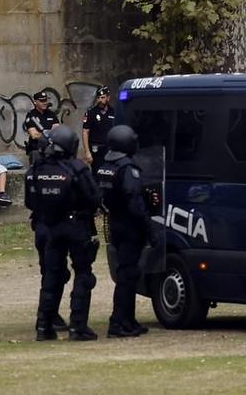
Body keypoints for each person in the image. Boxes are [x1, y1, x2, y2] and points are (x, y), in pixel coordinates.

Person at [26, 124, 101, 341]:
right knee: (83, 274)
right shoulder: (77, 168)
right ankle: (78, 327)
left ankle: (44, 326)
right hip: (76, 226)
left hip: (50, 226)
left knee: (52, 275)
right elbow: (94, 197)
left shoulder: (38, 169)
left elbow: (31, 201)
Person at [94, 124, 151, 338]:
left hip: (115, 224)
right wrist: (150, 230)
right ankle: (118, 322)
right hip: (130, 227)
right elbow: (135, 203)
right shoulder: (127, 169)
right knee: (127, 276)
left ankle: (128, 320)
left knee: (127, 274)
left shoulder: (105, 166)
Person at [81, 86, 118, 159]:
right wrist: (87, 152)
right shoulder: (91, 112)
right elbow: (85, 132)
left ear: (108, 98)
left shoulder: (114, 112)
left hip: (110, 149)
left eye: (102, 97)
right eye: (98, 98)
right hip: (96, 148)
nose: (100, 100)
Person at [23, 92, 59, 165]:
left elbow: (57, 132)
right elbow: (34, 135)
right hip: (37, 148)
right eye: (42, 101)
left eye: (45, 100)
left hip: (51, 147)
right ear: (35, 102)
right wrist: (50, 134)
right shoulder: (31, 115)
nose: (44, 103)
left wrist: (44, 134)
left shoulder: (52, 114)